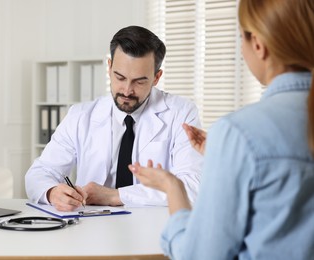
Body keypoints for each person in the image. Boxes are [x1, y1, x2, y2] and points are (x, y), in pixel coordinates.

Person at [129, 0, 314, 259]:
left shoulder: (240, 132)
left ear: (258, 44)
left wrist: (172, 187)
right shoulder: (239, 138)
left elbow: (199, 255)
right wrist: (226, 155)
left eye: (241, 37)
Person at [25, 25, 203, 211]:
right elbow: (39, 173)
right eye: (120, 77)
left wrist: (114, 196)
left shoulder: (181, 112)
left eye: (139, 81)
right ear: (109, 68)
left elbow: (193, 186)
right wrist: (52, 192)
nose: (127, 90)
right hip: (90, 228)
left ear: (156, 77)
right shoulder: (80, 115)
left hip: (151, 226)